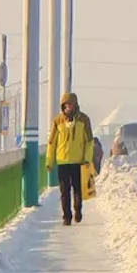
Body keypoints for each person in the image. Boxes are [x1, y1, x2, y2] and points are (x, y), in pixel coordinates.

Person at [45, 92, 94, 226]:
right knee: (64, 191)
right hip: (62, 162)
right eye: (65, 105)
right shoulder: (57, 121)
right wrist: (49, 161)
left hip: (79, 162)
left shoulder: (84, 120)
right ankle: (66, 216)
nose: (68, 107)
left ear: (75, 105)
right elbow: (52, 143)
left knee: (78, 189)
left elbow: (89, 141)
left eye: (70, 104)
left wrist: (87, 159)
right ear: (62, 106)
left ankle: (78, 211)